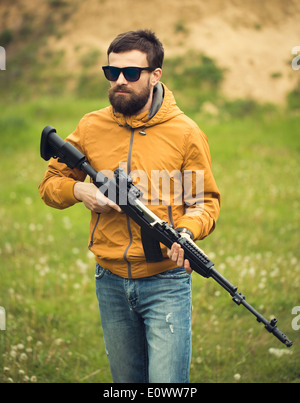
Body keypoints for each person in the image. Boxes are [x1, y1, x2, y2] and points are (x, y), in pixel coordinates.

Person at [38, 29, 220, 383]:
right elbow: (49, 185)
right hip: (110, 281)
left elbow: (204, 202)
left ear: (155, 75)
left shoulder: (185, 133)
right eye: (113, 72)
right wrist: (82, 192)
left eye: (132, 73)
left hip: (166, 281)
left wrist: (187, 231)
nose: (120, 81)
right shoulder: (91, 126)